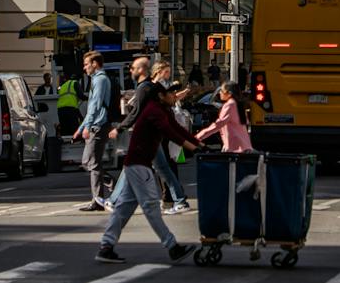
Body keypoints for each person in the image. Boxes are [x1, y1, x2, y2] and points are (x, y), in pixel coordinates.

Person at [96, 79, 205, 265]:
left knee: (123, 208)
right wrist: (193, 149)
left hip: (137, 164)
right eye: (171, 93)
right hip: (139, 165)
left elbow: (178, 129)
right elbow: (170, 133)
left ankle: (106, 247)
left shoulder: (163, 110)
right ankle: (172, 247)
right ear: (160, 96)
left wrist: (199, 144)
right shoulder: (154, 111)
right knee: (151, 207)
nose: (175, 95)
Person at [145, 62, 191, 214]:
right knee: (165, 165)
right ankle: (173, 197)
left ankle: (172, 198)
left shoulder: (162, 86)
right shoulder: (154, 87)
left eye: (169, 72)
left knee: (166, 164)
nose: (168, 75)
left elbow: (170, 100)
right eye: (165, 72)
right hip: (160, 128)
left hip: (164, 128)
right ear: (157, 71)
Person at [74, 52, 115, 211]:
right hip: (95, 124)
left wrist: (87, 126)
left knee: (92, 163)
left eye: (86, 64)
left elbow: (96, 105)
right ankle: (104, 190)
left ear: (95, 64)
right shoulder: (96, 80)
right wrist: (80, 129)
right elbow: (92, 107)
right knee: (89, 163)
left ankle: (99, 199)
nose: (84, 68)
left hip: (98, 125)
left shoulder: (100, 80)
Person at [195, 81, 252, 153]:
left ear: (229, 93)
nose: (219, 93)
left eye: (221, 90)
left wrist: (198, 137)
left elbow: (218, 124)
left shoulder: (230, 105)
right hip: (243, 145)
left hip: (234, 147)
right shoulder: (238, 104)